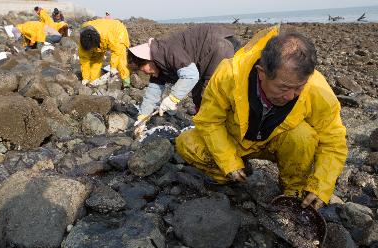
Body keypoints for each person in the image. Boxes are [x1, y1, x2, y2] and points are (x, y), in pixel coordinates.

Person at [175, 26, 348, 209]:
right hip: (234, 140)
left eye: (299, 87)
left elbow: (333, 140)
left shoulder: (317, 89)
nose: (291, 96)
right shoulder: (230, 74)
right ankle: (235, 177)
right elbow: (209, 121)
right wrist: (229, 163)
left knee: (303, 136)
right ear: (261, 73)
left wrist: (321, 187)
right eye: (283, 88)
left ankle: (293, 192)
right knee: (186, 143)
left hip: (277, 141)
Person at [128, 24, 240, 135]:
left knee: (211, 93)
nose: (145, 73)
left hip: (218, 46)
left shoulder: (167, 52)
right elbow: (153, 92)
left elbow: (191, 75)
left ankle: (220, 130)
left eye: (143, 69)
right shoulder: (157, 65)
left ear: (148, 60)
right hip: (204, 56)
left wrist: (172, 99)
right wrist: (143, 117)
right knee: (198, 93)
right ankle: (204, 126)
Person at [79, 18, 130, 87]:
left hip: (117, 32)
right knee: (95, 60)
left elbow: (117, 51)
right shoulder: (84, 39)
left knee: (121, 61)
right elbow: (84, 60)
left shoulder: (110, 35)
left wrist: (113, 67)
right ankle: (93, 82)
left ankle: (126, 82)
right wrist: (85, 78)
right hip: (100, 35)